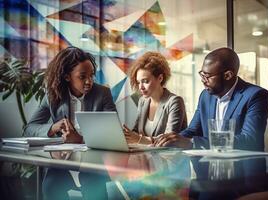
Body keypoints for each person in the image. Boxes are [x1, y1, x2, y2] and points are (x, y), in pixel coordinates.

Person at [23, 46, 116, 200]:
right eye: (82, 76)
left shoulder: (103, 94)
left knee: (95, 193)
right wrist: (53, 127)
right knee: (50, 188)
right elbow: (29, 128)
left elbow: (112, 135)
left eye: (92, 75)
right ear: (67, 77)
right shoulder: (53, 96)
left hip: (92, 164)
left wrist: (79, 139)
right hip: (62, 163)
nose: (89, 81)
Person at [153, 47, 268, 151]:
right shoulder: (205, 96)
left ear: (228, 75)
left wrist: (192, 142)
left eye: (207, 76)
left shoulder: (256, 95)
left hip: (244, 169)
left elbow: (249, 140)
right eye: (202, 74)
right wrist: (171, 139)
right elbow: (193, 130)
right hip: (208, 167)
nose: (203, 80)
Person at [123, 51, 187, 144]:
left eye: (145, 81)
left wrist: (139, 139)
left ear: (160, 78)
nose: (141, 87)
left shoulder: (174, 102)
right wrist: (127, 135)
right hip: (146, 156)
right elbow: (137, 131)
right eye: (138, 82)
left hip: (169, 157)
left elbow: (168, 140)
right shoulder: (143, 101)